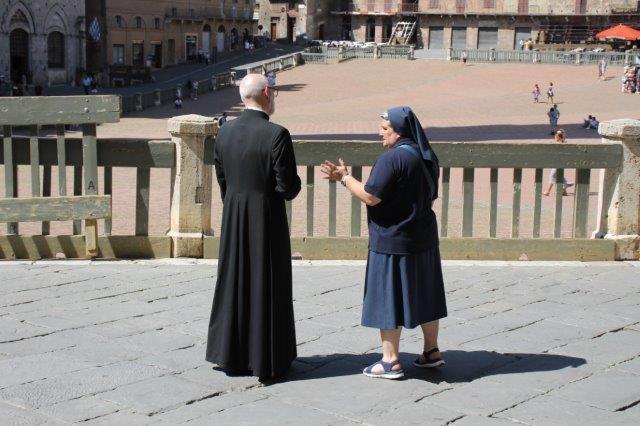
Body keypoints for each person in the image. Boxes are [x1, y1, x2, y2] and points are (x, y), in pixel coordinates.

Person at [321, 106, 447, 380]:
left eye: (385, 129)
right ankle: (431, 350)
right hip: (424, 236)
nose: (380, 133)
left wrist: (344, 177)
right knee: (425, 293)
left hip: (392, 239)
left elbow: (371, 196)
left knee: (388, 297)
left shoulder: (392, 159)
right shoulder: (427, 156)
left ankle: (390, 361)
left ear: (399, 131)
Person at [206, 74, 301, 380]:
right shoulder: (277, 134)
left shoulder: (224, 132)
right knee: (267, 280)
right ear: (267, 93)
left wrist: (236, 200)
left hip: (234, 213)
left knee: (234, 280)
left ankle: (230, 355)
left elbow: (222, 179)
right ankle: (266, 358)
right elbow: (288, 187)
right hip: (266, 215)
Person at [543, 129, 573, 196]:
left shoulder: (561, 144)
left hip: (559, 163)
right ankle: (564, 190)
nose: (554, 137)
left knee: (552, 175)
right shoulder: (561, 143)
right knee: (559, 175)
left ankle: (547, 191)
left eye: (556, 136)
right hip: (558, 162)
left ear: (559, 137)